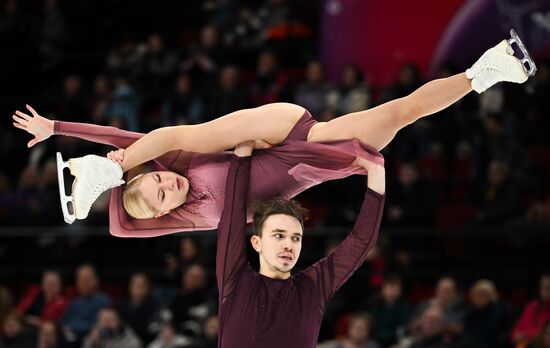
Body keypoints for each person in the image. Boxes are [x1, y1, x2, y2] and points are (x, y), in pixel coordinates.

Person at [12, 37, 531, 238]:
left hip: (274, 129)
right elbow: (123, 231)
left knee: (174, 135)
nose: (167, 187)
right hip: (301, 164)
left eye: (158, 182)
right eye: (160, 199)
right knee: (400, 117)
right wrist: (126, 205)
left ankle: (104, 169)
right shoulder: (187, 219)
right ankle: (485, 72)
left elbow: (127, 134)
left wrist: (60, 129)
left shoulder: (173, 159)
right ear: (163, 215)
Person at [215, 141, 385, 348]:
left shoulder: (312, 288)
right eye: (278, 235)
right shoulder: (235, 280)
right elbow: (232, 218)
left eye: (296, 238)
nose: (289, 245)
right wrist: (243, 152)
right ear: (257, 242)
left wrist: (375, 172)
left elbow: (361, 241)